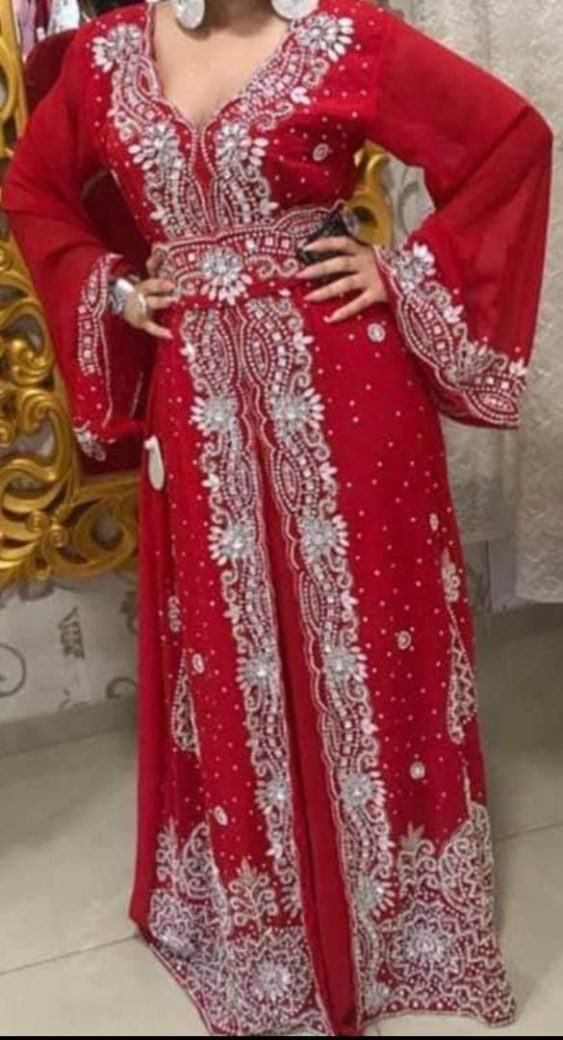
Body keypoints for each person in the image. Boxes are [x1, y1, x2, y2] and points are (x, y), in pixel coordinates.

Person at [2, 1, 552, 1035]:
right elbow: (33, 188)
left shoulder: (345, 37)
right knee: (234, 644)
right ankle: (266, 912)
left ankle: (399, 909)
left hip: (350, 389)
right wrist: (114, 290)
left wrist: (398, 270)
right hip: (199, 401)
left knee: (369, 634)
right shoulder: (108, 56)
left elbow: (508, 144)